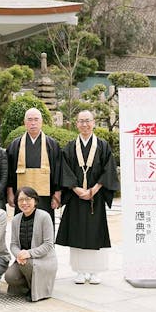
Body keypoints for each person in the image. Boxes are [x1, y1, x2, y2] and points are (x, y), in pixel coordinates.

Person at [55, 110, 119, 285]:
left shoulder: (103, 145)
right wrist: (76, 189)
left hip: (95, 198)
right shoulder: (69, 147)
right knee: (77, 233)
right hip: (76, 198)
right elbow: (65, 171)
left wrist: (94, 189)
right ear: (76, 124)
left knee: (95, 233)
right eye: (81, 121)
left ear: (94, 122)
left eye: (87, 121)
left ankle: (95, 271)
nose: (84, 124)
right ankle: (80, 271)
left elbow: (109, 170)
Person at [6, 108, 62, 225]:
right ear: (24, 122)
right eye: (29, 120)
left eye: (36, 120)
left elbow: (58, 171)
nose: (33, 123)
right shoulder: (15, 145)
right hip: (21, 197)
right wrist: (10, 193)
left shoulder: (52, 145)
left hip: (45, 196)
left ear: (42, 122)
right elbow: (10, 171)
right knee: (23, 224)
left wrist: (57, 194)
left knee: (44, 225)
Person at [5, 186, 57, 302]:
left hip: (43, 259)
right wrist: (19, 254)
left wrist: (28, 253)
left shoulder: (44, 216)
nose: (24, 203)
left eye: (28, 199)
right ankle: (30, 285)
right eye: (20, 200)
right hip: (23, 259)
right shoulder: (16, 219)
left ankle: (35, 289)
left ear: (35, 201)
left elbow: (48, 244)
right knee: (10, 276)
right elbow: (13, 244)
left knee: (27, 264)